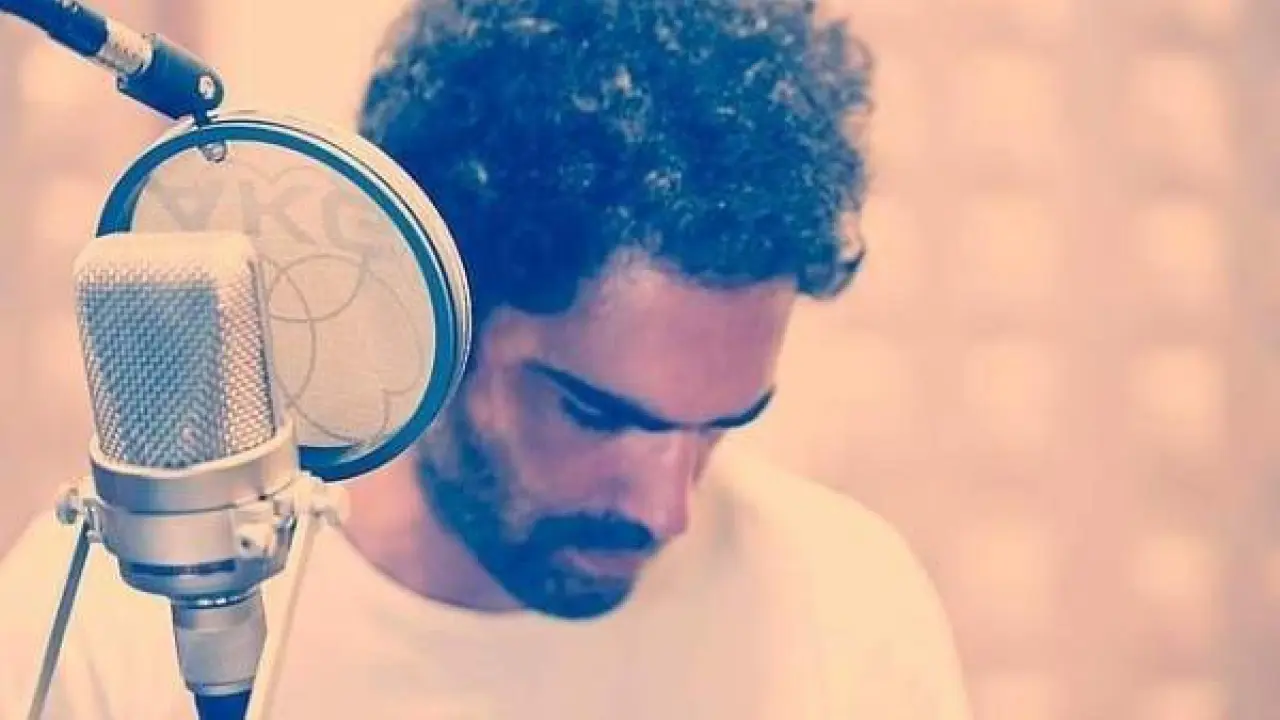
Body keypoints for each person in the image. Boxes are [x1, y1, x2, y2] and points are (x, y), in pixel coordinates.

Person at [0, 0, 971, 717]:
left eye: (719, 426)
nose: (665, 510)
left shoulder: (847, 606)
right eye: (596, 415)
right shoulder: (104, 618)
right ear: (423, 319)